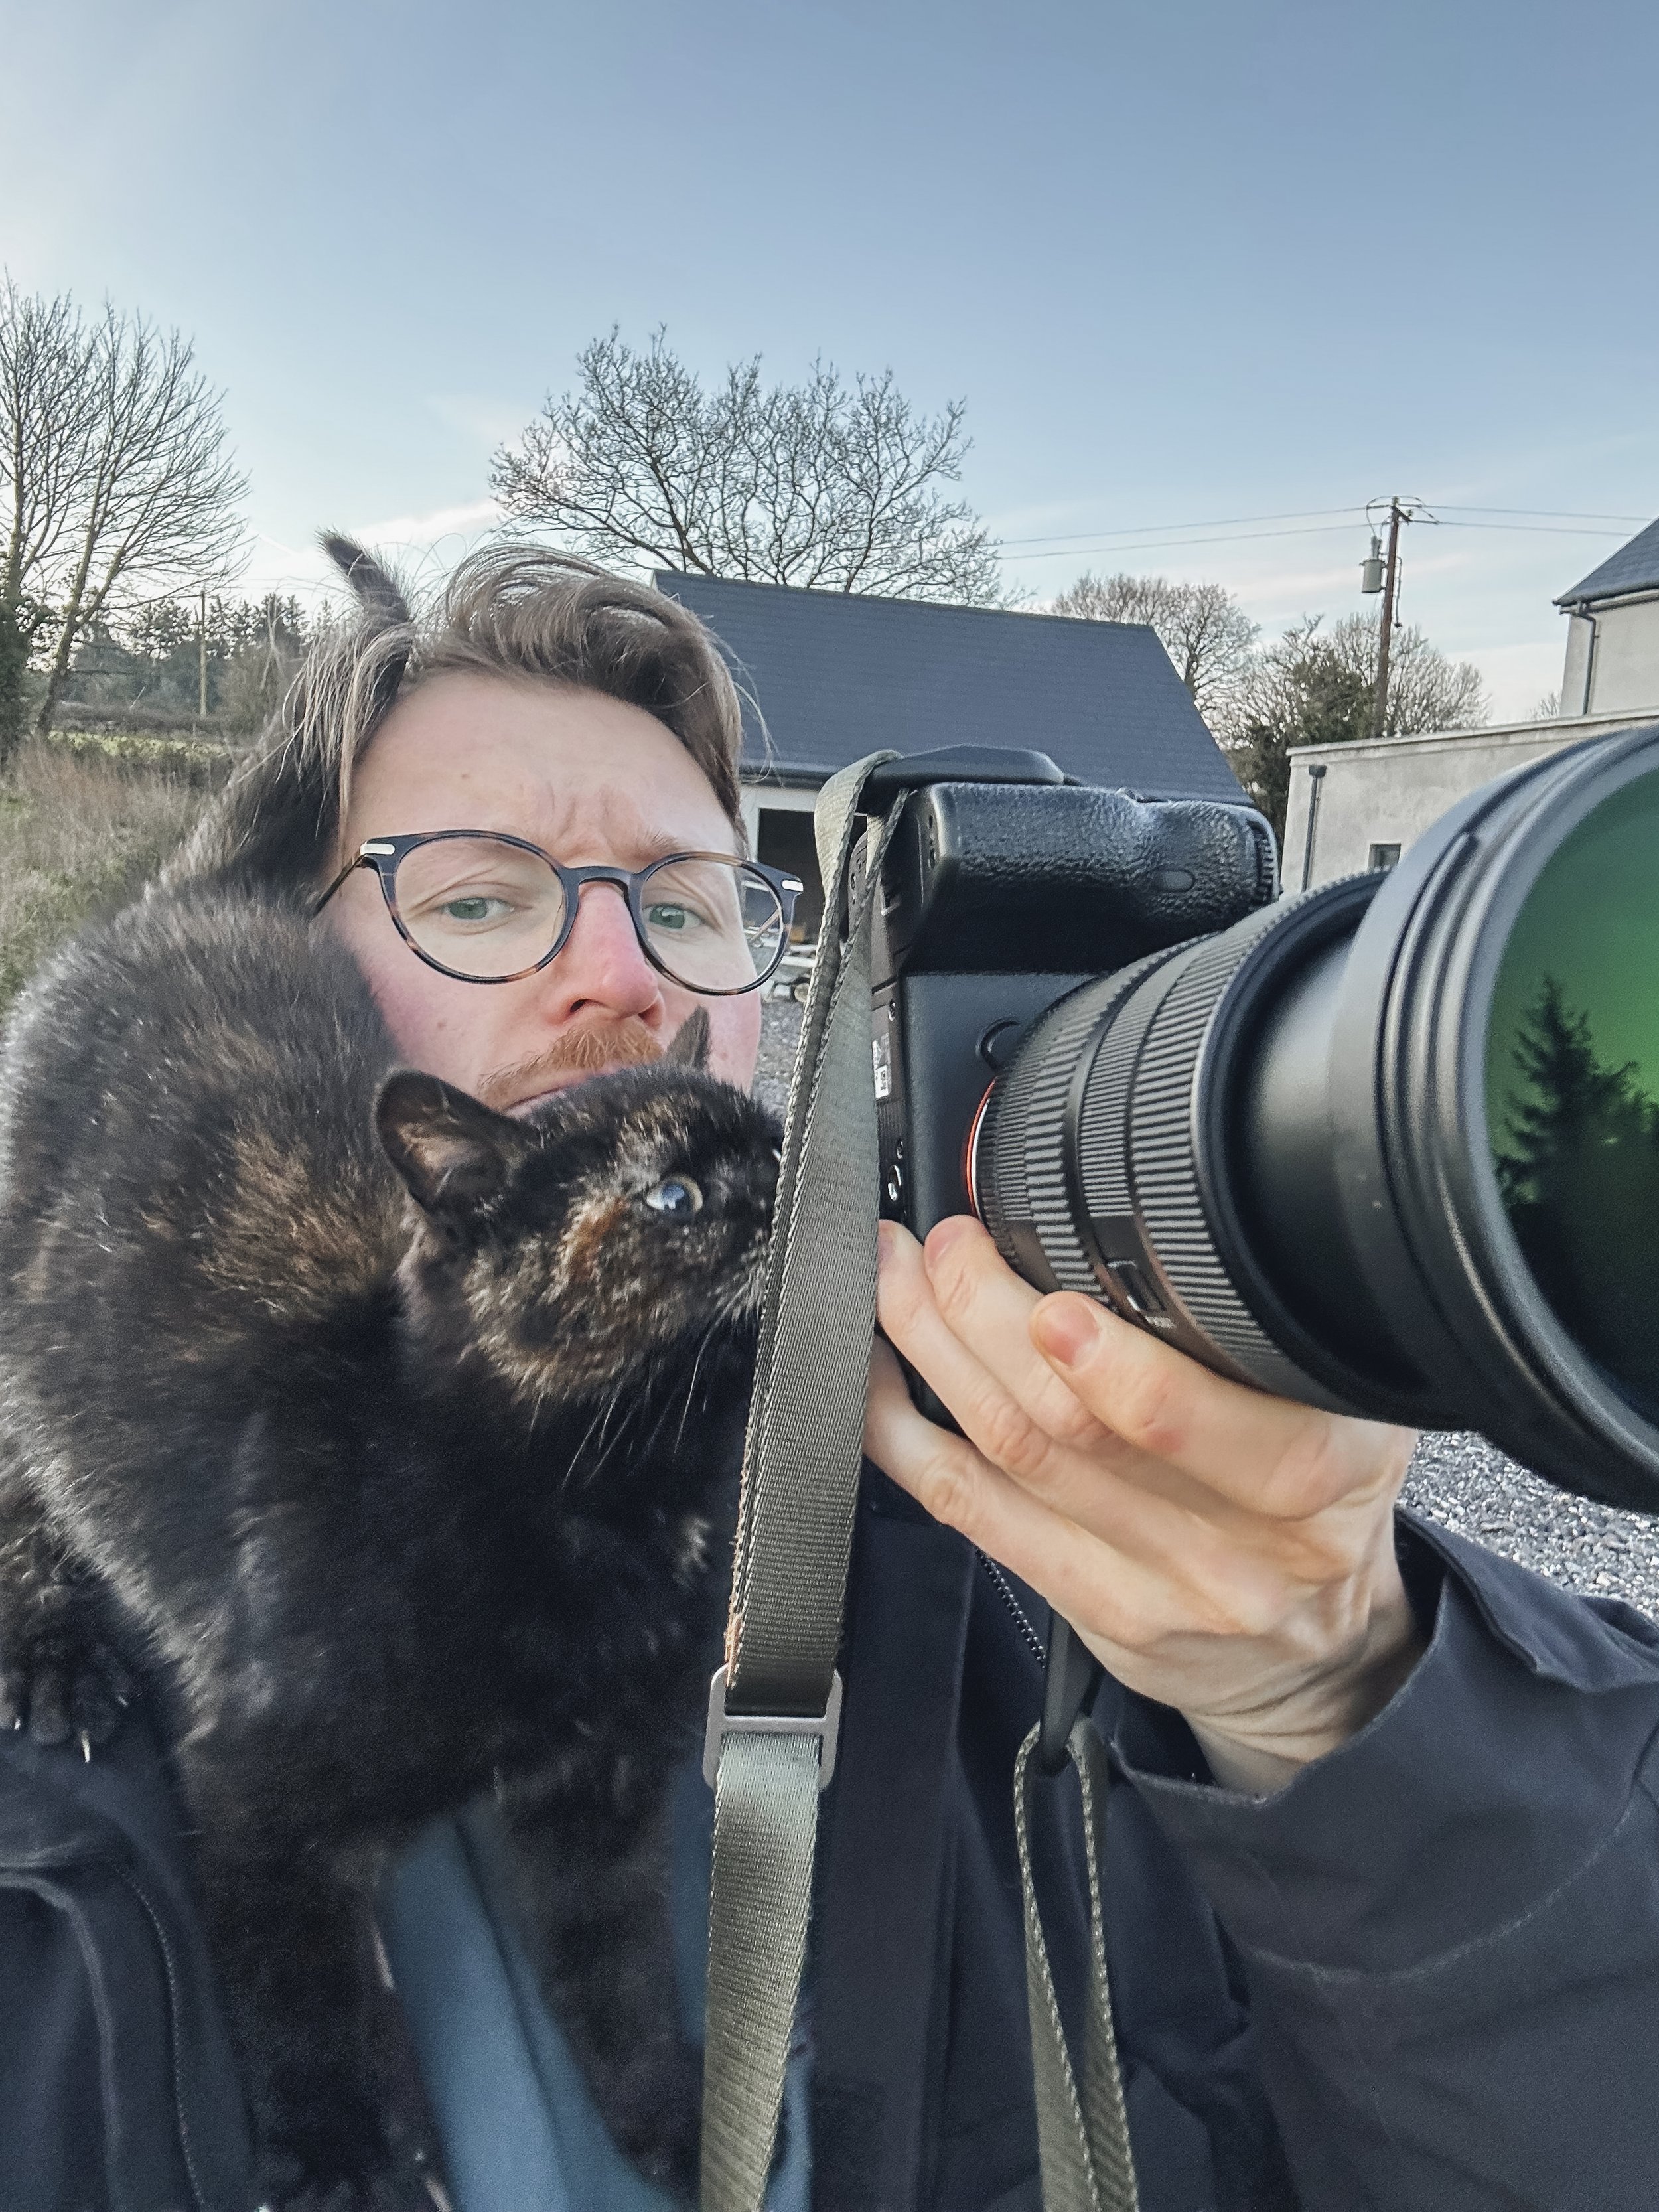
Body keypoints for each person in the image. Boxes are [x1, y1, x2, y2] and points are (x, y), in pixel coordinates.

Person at [2, 541, 1657, 2212]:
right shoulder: (131, 1512)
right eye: (482, 895)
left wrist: (1339, 1706)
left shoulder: (1033, 1522)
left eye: (691, 904)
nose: (628, 980)